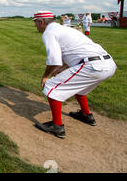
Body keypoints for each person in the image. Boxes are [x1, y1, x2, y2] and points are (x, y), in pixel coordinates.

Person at [33, 11, 117, 139]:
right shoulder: (65, 29)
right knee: (80, 88)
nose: (35, 26)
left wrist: (45, 76)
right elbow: (77, 51)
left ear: (42, 22)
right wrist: (64, 67)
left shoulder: (49, 32)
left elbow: (54, 59)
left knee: (51, 86)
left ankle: (57, 126)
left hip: (92, 66)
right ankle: (86, 115)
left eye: (36, 22)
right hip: (108, 64)